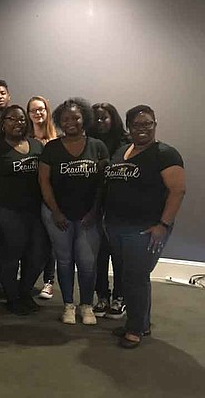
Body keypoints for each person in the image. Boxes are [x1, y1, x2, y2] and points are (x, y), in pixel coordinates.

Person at [104, 105, 185, 349]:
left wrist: (163, 225)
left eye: (148, 124)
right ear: (129, 127)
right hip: (117, 226)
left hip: (145, 228)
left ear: (155, 124)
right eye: (137, 125)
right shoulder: (121, 151)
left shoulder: (165, 154)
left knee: (135, 278)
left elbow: (177, 190)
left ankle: (135, 330)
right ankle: (141, 323)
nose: (142, 129)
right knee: (130, 277)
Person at [38, 98, 109, 325]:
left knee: (88, 262)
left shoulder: (97, 146)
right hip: (57, 215)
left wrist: (94, 212)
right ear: (59, 121)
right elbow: (44, 182)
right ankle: (68, 305)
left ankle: (86, 304)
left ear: (84, 119)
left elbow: (102, 184)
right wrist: (55, 211)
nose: (71, 122)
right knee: (65, 261)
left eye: (76, 118)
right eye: (65, 119)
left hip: (89, 216)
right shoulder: (51, 148)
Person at [0, 105, 49, 315]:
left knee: (38, 255)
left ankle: (25, 292)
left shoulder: (37, 146)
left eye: (21, 120)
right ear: (3, 123)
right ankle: (12, 297)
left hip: (36, 212)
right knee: (10, 256)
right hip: (7, 212)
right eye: (12, 119)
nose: (17, 124)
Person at [89, 102, 130, 319]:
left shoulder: (127, 143)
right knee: (99, 254)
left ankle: (120, 297)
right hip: (94, 205)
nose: (100, 122)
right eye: (96, 118)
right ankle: (102, 295)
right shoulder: (89, 143)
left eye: (104, 117)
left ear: (113, 118)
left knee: (119, 254)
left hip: (119, 207)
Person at [26, 96, 59, 300]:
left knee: (50, 241)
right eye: (33, 110)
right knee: (32, 242)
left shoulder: (56, 140)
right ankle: (28, 280)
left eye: (41, 110)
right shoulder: (25, 139)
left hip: (50, 198)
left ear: (47, 112)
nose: (38, 113)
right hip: (28, 197)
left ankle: (49, 281)